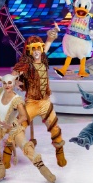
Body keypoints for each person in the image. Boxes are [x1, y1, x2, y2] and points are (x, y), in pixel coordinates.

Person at [12, 27, 67, 167]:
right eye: (33, 48)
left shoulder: (43, 59)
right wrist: (15, 81)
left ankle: (59, 151)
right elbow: (13, 74)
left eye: (38, 48)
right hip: (31, 102)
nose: (37, 51)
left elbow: (47, 44)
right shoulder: (26, 64)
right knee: (18, 126)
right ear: (29, 50)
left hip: (45, 102)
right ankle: (9, 150)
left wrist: (50, 37)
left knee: (55, 127)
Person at [0, 74, 56, 183]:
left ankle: (43, 169)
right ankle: (0, 169)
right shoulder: (0, 92)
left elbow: (24, 116)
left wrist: (12, 125)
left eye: (9, 83)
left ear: (14, 83)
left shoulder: (17, 100)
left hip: (13, 126)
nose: (7, 85)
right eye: (4, 83)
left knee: (25, 146)